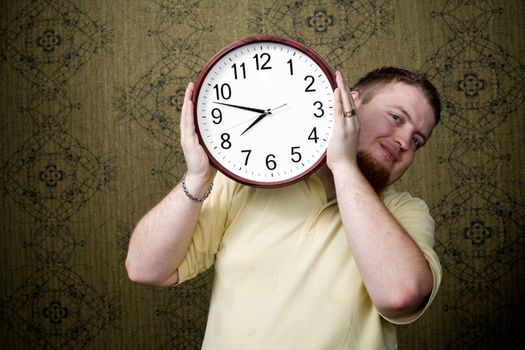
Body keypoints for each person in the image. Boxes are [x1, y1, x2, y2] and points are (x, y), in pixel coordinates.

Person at [125, 67, 443, 350]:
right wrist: (197, 178)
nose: (404, 141)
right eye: (396, 118)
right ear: (350, 103)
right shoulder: (248, 180)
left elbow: (400, 296)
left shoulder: (406, 212)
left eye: (417, 140)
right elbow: (145, 269)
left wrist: (344, 165)